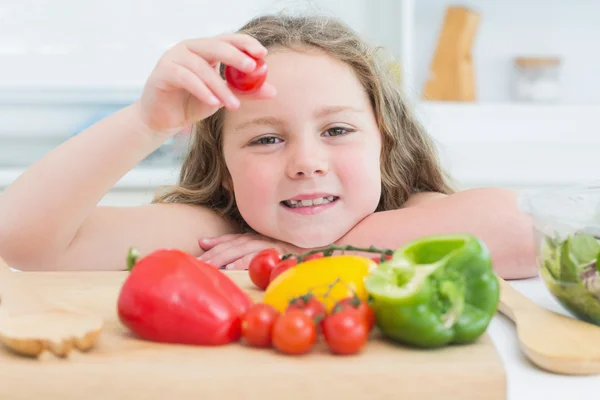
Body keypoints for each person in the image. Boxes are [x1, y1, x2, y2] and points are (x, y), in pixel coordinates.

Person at [0, 13, 536, 279]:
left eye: (337, 130)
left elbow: (522, 229)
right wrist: (147, 122)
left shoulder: (408, 214)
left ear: (385, 145)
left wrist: (312, 256)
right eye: (266, 138)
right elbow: (24, 240)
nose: (306, 163)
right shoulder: (223, 235)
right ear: (225, 170)